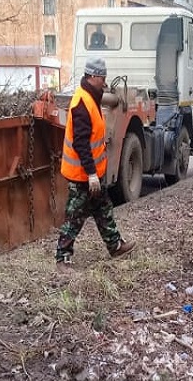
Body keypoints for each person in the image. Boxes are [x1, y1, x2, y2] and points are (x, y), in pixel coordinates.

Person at [55, 57, 134, 268]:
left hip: (91, 174)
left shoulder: (91, 97)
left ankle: (115, 245)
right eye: (103, 78)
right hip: (81, 174)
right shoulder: (82, 102)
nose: (105, 82)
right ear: (93, 77)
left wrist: (95, 174)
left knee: (103, 209)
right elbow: (81, 144)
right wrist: (91, 174)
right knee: (75, 216)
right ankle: (62, 256)